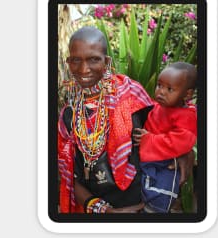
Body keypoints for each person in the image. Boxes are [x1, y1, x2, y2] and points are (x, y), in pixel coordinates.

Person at [58, 26, 194, 214]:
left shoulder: (131, 95)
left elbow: (170, 126)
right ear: (68, 63)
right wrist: (107, 212)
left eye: (93, 59)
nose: (84, 69)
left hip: (145, 206)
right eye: (76, 60)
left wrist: (186, 154)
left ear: (106, 61)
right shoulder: (68, 116)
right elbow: (71, 178)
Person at [133, 62, 197, 213]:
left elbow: (180, 143)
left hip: (165, 164)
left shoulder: (186, 117)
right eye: (159, 85)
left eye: (169, 89)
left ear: (187, 94)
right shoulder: (160, 106)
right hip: (151, 158)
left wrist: (148, 140)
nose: (161, 92)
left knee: (160, 192)